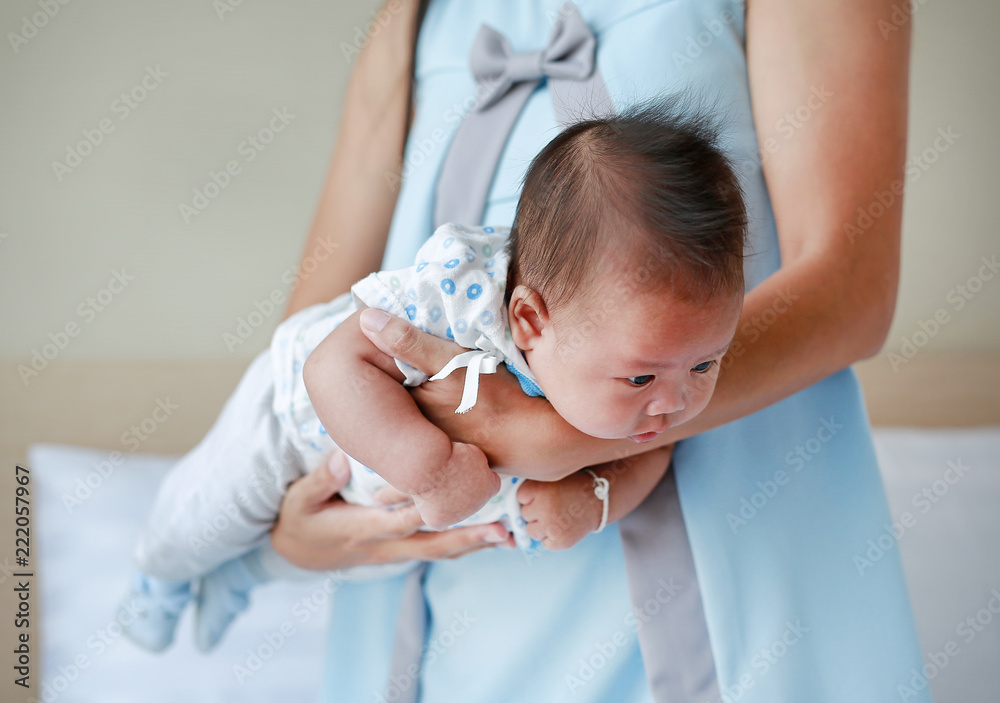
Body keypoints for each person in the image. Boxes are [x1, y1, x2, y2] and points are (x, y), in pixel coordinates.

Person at [272, 1, 928, 701]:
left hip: (721, 577)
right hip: (438, 596)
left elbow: (851, 287)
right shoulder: (409, 18)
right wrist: (292, 540)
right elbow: (305, 340)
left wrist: (546, 437)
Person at [121, 101, 749, 655]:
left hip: (399, 507)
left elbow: (658, 453)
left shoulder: (643, 378)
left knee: (377, 553)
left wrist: (597, 499)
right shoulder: (456, 295)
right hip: (293, 424)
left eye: (704, 363)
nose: (675, 402)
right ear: (530, 322)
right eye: (640, 379)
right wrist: (430, 470)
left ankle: (240, 578)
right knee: (205, 513)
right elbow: (332, 366)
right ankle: (158, 578)